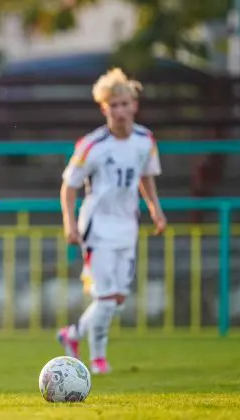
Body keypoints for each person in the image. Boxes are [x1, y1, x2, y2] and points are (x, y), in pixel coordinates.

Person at [56, 68, 166, 375]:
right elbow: (69, 185)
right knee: (105, 297)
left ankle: (73, 334)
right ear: (104, 108)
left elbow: (146, 177)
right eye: (112, 105)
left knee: (117, 298)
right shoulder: (92, 144)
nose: (119, 110)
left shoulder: (145, 140)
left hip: (127, 226)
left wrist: (155, 209)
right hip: (97, 227)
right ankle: (98, 360)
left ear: (134, 105)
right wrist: (70, 223)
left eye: (124, 104)